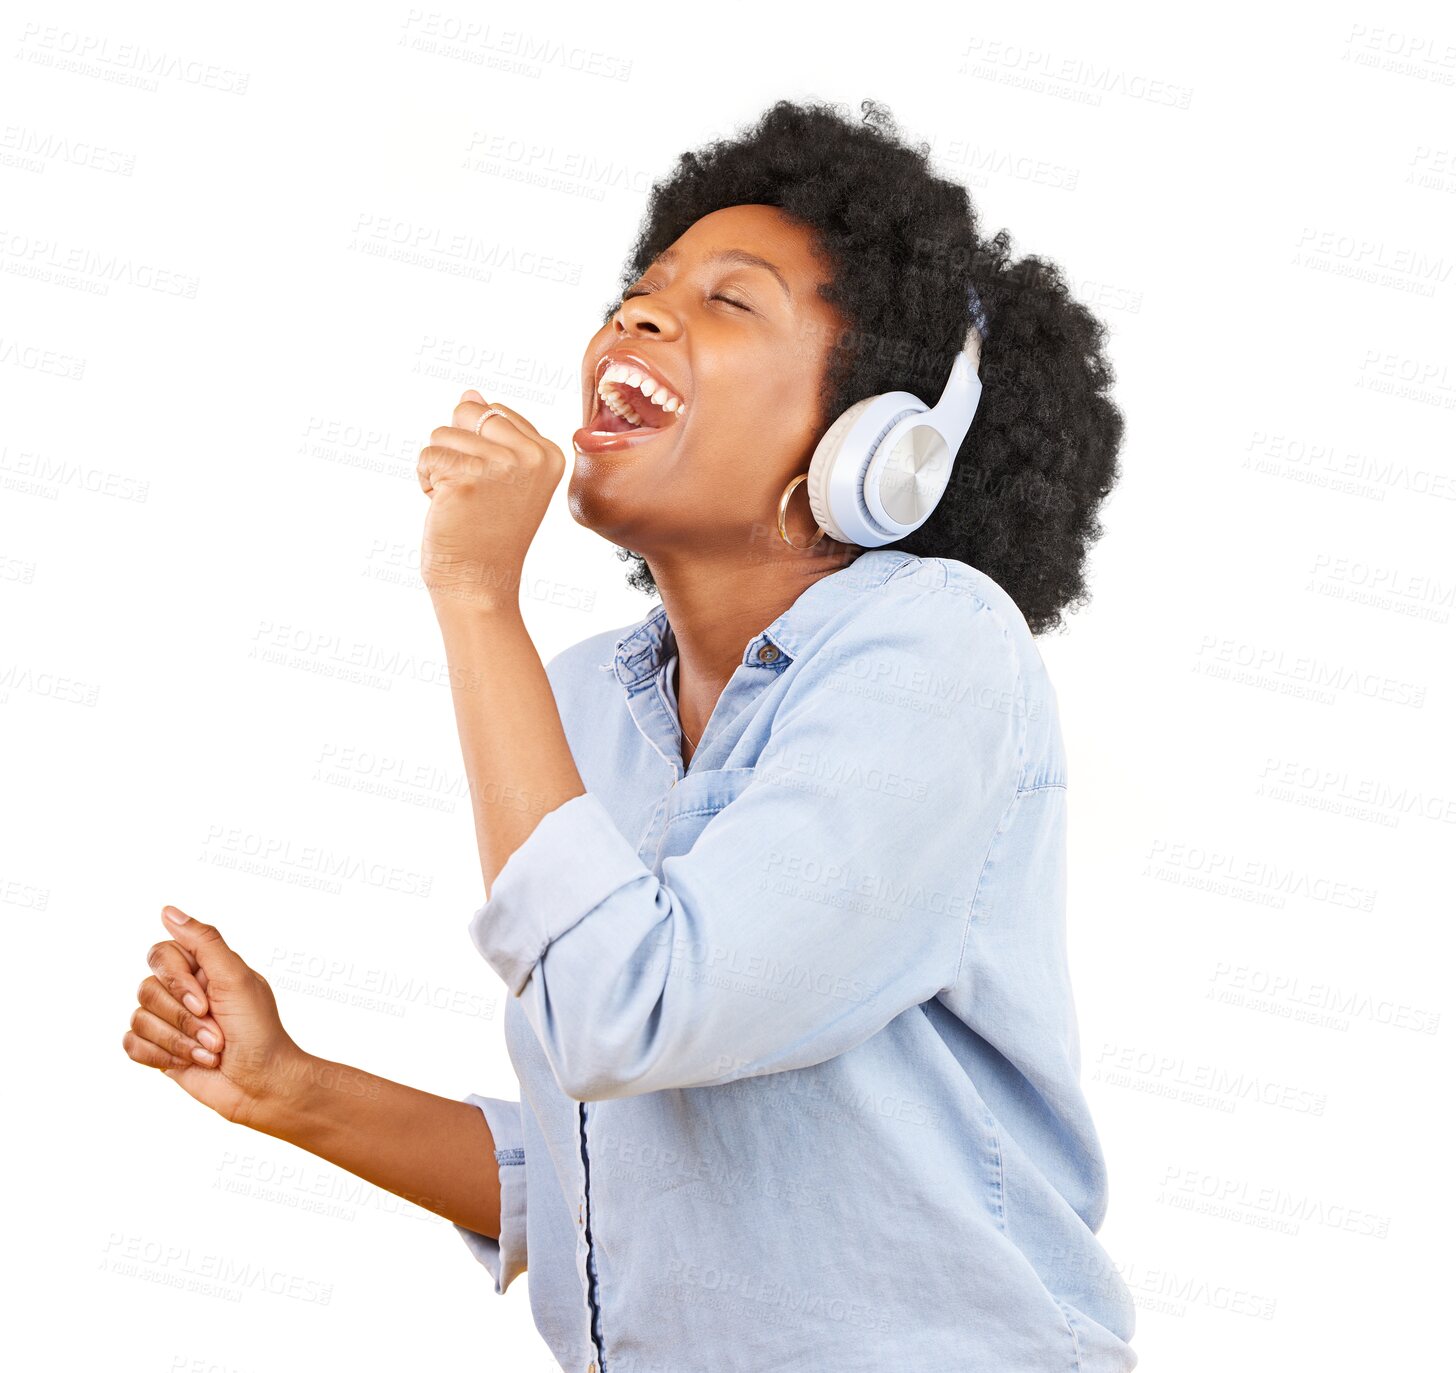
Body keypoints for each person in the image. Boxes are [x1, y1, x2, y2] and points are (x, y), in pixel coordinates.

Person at [125, 98, 1133, 1371]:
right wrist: (292, 1089)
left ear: (885, 449)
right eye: (642, 289)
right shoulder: (591, 698)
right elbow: (620, 1190)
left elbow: (632, 1011)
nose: (639, 316)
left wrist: (476, 594)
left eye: (730, 299)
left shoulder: (937, 651)